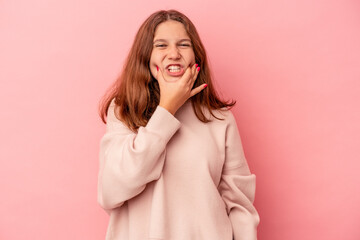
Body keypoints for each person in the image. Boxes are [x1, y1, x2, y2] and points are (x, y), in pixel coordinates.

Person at [97, 9, 260, 240]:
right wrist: (166, 110)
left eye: (183, 45)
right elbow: (111, 191)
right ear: (146, 56)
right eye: (161, 45)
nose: (173, 53)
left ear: (195, 56)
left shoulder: (219, 118)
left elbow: (239, 204)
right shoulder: (124, 110)